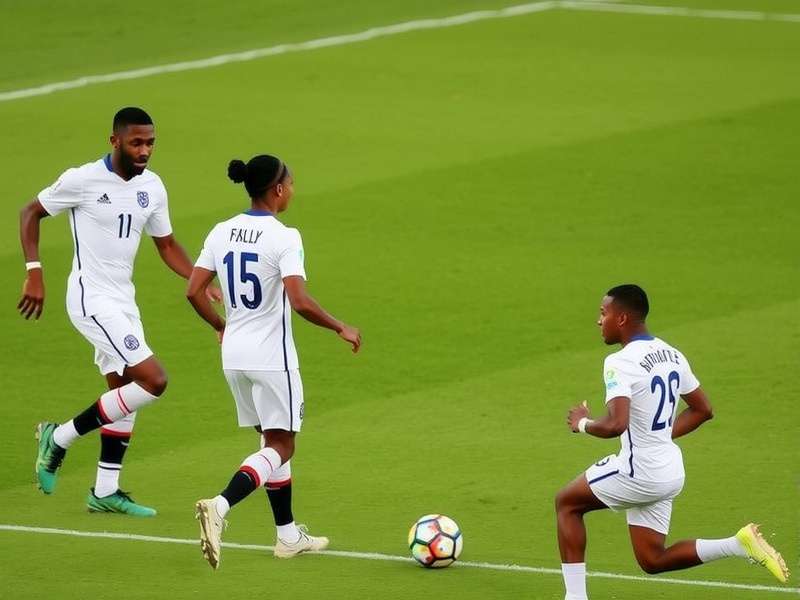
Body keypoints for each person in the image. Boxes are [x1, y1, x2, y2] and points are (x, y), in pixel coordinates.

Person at [19, 106, 220, 516]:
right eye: (136, 142)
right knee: (153, 380)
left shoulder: (154, 187)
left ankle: (105, 491)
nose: (145, 150)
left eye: (150, 143)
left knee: (124, 392)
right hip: (90, 299)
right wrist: (34, 272)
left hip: (122, 300)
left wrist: (199, 278)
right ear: (115, 141)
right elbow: (30, 212)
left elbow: (166, 245)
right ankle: (57, 439)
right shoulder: (83, 180)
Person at [555, 284, 789, 599]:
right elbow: (703, 410)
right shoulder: (672, 354)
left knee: (567, 503)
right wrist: (660, 434)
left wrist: (581, 423)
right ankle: (737, 543)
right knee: (652, 560)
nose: (599, 321)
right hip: (669, 471)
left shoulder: (619, 362)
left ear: (622, 318)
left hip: (639, 472)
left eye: (603, 313)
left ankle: (575, 597)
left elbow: (615, 424)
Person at [186, 154, 361, 569]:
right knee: (283, 445)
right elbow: (299, 301)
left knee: (271, 443)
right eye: (292, 183)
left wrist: (221, 325)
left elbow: (194, 290)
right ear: (278, 189)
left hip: (234, 356)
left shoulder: (221, 230)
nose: (294, 189)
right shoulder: (285, 236)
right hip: (271, 357)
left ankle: (287, 536)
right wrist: (340, 326)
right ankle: (220, 506)